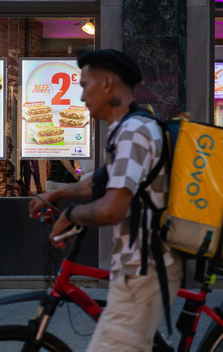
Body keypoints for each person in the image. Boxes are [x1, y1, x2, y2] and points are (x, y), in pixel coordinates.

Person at [28, 49, 182, 351]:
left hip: (144, 270)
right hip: (136, 267)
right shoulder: (126, 130)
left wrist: (70, 215)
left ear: (108, 84)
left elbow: (112, 209)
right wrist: (54, 194)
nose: (81, 95)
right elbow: (98, 184)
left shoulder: (134, 132)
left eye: (85, 85)